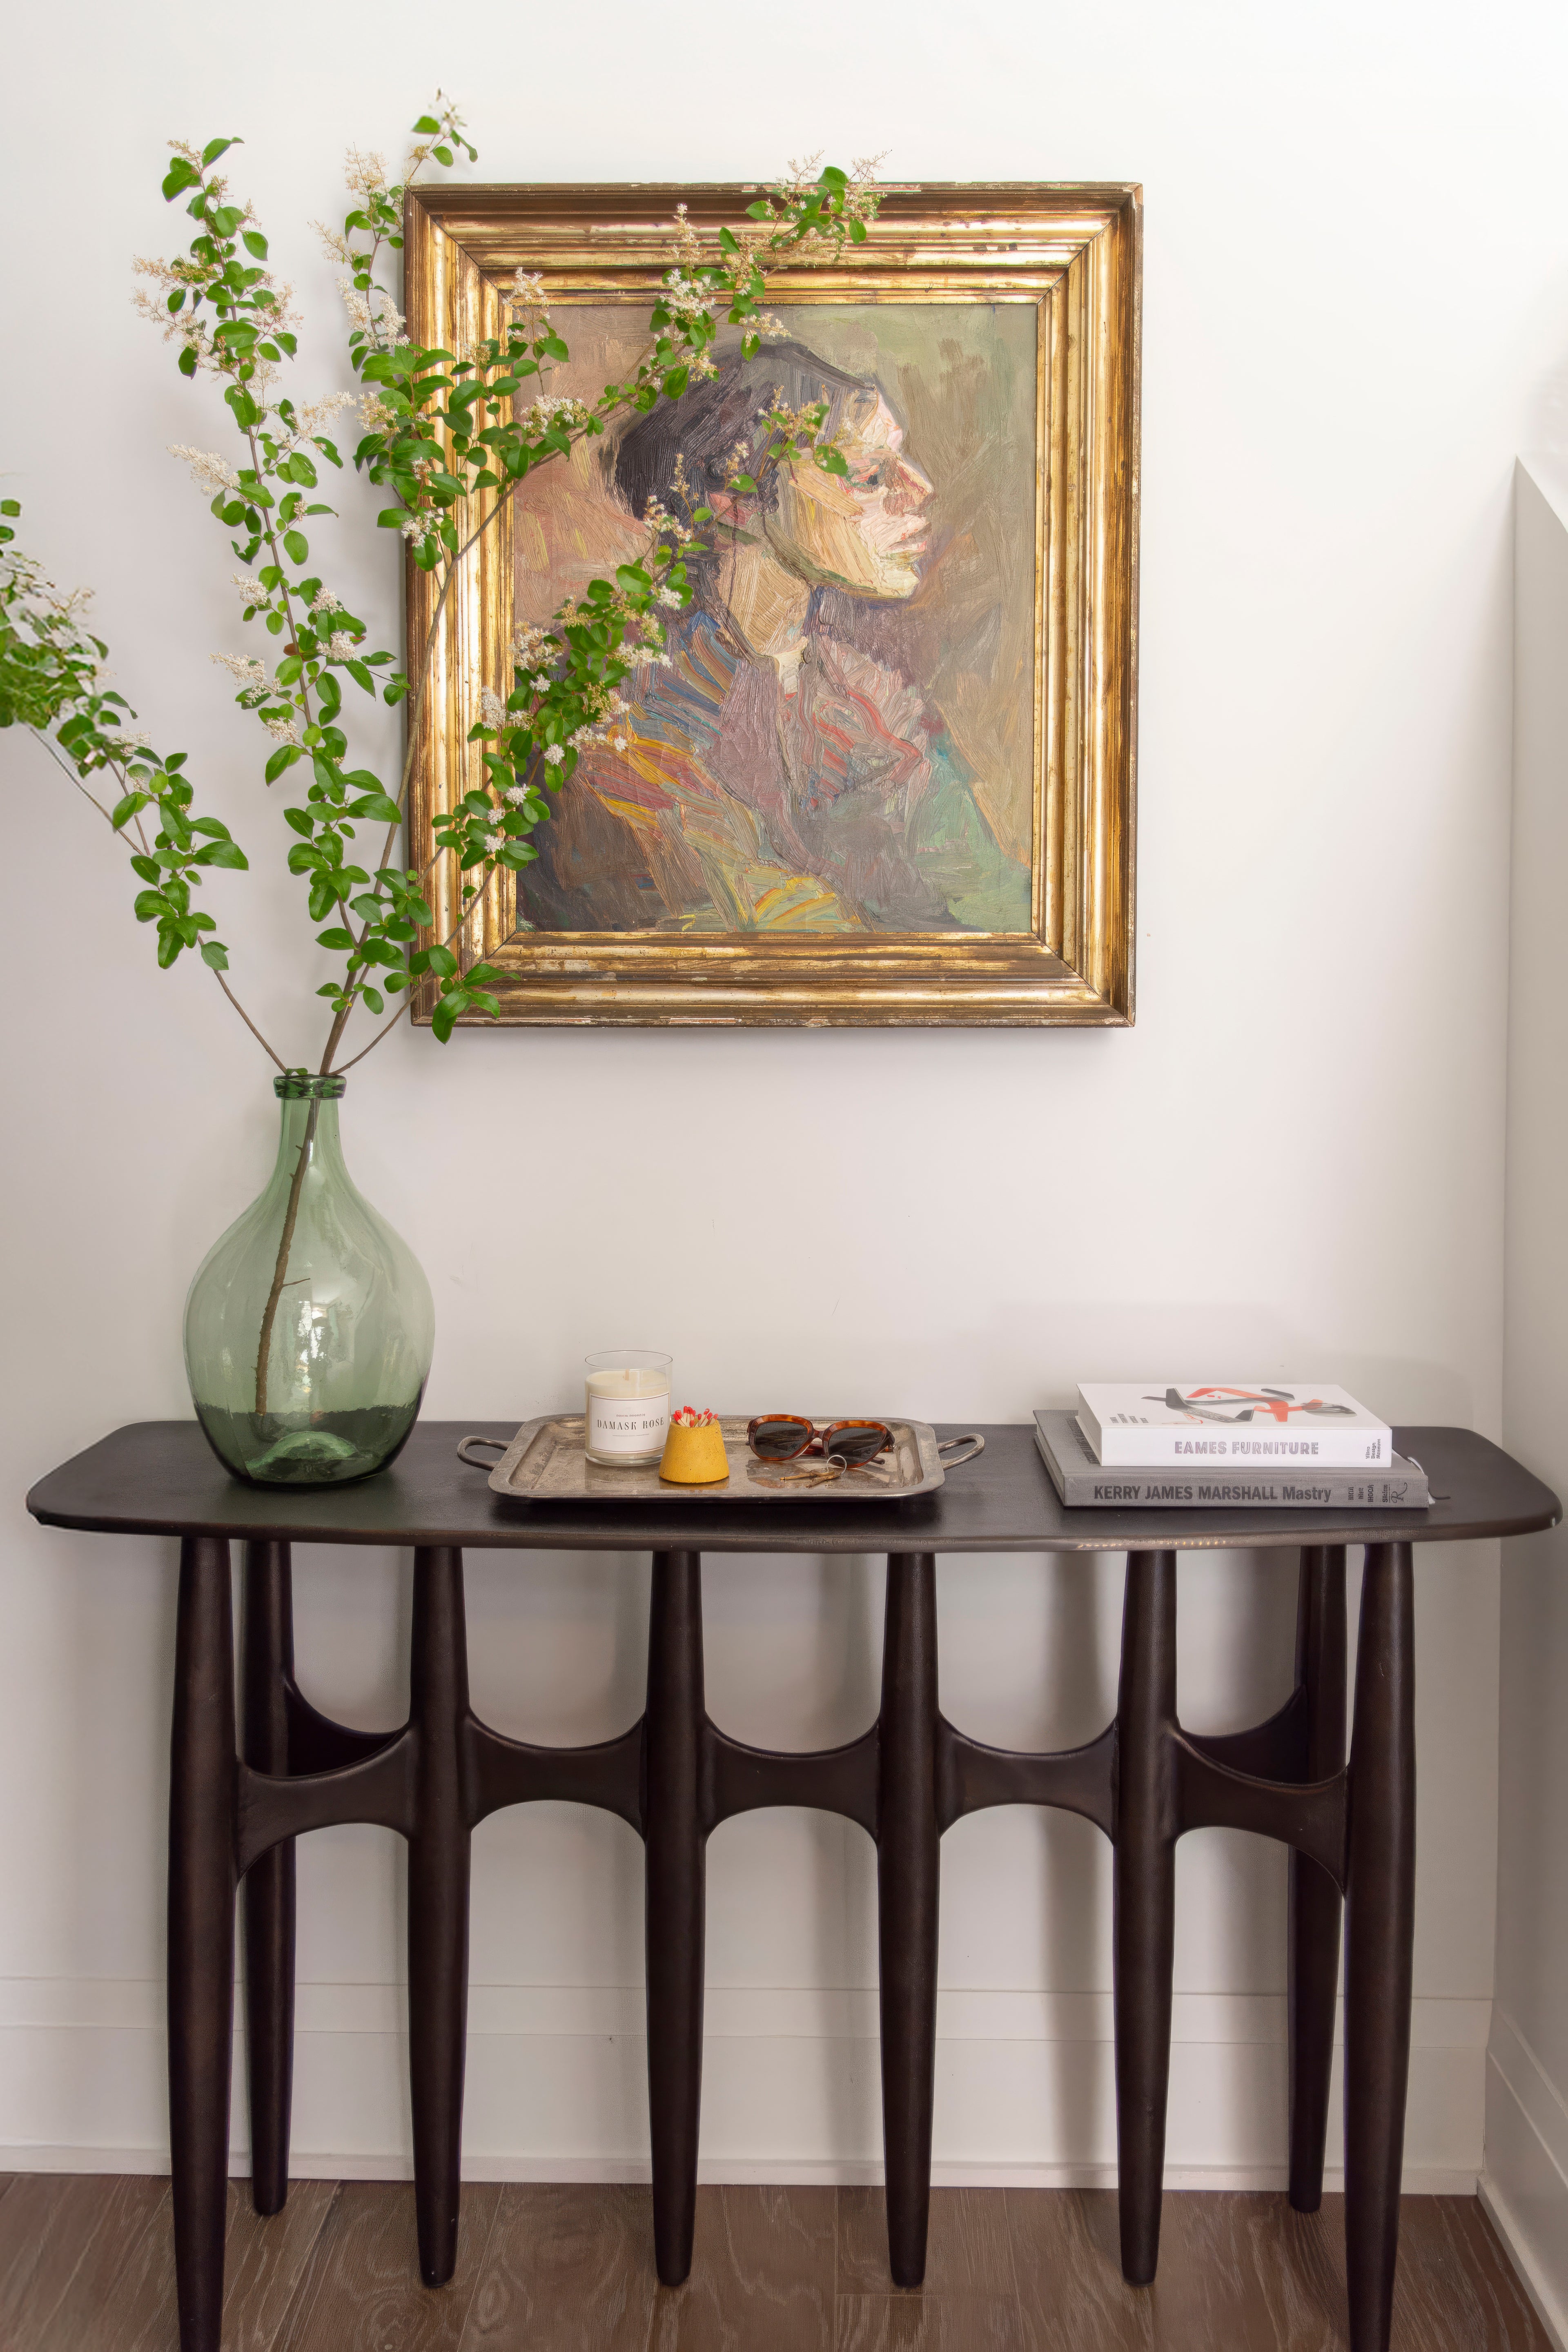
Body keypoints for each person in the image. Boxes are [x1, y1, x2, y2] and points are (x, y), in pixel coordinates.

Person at [515, 340, 1031, 935]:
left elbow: (991, 897)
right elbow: (753, 926)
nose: (920, 489)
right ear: (734, 500)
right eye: (869, 476)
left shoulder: (871, 699)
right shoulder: (613, 702)